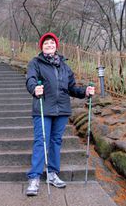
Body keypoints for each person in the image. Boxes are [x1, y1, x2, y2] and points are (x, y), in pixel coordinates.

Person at [25, 32, 95, 196]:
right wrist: (34, 88)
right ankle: (34, 177)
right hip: (43, 107)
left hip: (62, 109)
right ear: (41, 47)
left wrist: (85, 91)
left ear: (56, 46)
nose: (49, 45)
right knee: (41, 141)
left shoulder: (64, 67)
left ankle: (52, 174)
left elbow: (71, 88)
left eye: (52, 43)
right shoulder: (35, 63)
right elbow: (30, 79)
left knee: (56, 141)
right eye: (46, 44)